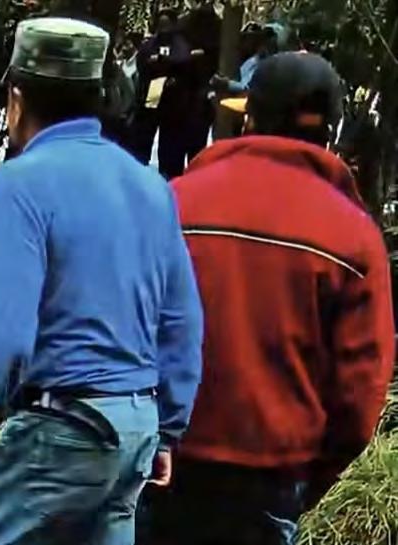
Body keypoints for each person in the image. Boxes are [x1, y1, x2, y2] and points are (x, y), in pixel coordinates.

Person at [0, 18, 204, 544]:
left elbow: (5, 342)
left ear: (16, 98)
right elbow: (182, 325)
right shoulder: (150, 187)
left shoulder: (18, 184)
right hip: (134, 430)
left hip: (63, 429)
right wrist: (166, 429)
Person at [138, 52, 395, 545]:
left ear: (249, 119)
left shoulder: (174, 202)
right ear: (331, 133)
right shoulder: (354, 237)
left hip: (158, 461)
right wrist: (308, 478)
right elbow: (360, 393)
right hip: (270, 481)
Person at [131, 8, 193, 178]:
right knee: (144, 136)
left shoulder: (181, 44)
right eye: (161, 24)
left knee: (170, 144)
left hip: (174, 100)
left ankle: (169, 175)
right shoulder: (150, 45)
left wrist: (168, 67)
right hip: (153, 92)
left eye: (167, 24)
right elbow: (142, 63)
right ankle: (139, 171)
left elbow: (185, 64)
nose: (164, 28)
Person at [179, 0, 221, 163]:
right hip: (187, 95)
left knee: (194, 146)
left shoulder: (217, 27)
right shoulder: (184, 24)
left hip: (199, 96)